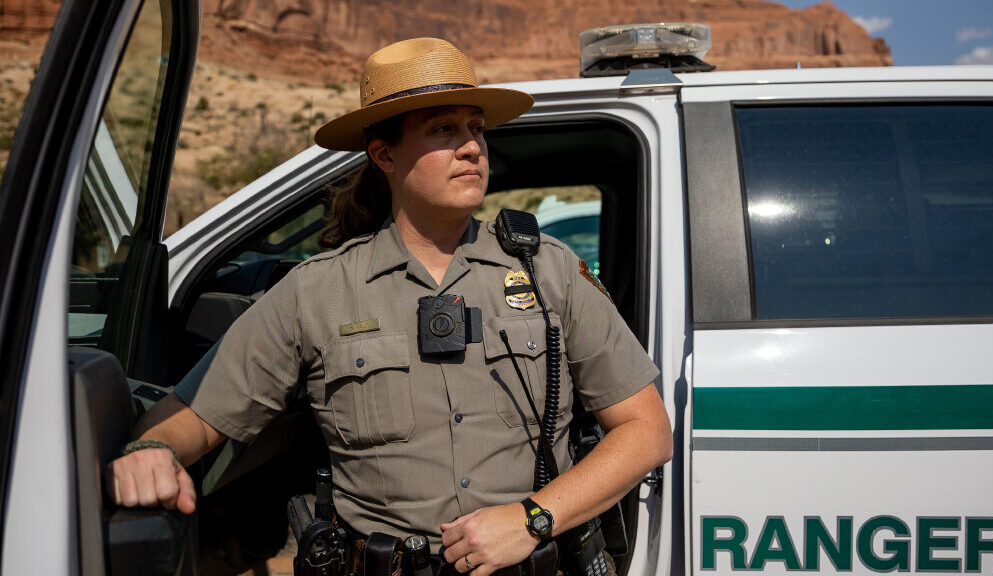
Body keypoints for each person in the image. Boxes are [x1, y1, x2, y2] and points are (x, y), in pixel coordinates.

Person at [107, 37, 672, 576]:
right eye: (443, 129)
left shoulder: (547, 270)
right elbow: (190, 419)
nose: (473, 145)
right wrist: (150, 450)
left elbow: (645, 430)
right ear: (384, 154)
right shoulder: (317, 292)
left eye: (475, 128)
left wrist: (531, 520)